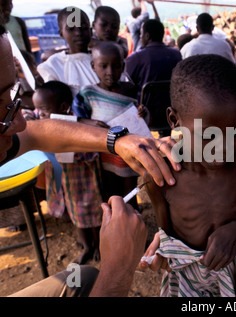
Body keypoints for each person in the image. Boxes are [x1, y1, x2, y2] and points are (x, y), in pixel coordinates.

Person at [1, 8, 180, 296]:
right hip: (80, 167)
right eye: (5, 102)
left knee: (83, 277)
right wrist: (118, 268)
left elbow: (37, 131)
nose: (22, 119)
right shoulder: (62, 70)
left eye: (13, 97)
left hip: (99, 157)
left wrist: (116, 140)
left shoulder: (119, 83)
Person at [139, 54, 236, 297]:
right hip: (187, 278)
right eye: (208, 136)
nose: (222, 149)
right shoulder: (160, 176)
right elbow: (166, 233)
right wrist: (160, 254)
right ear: (174, 119)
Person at [32, 81, 104, 265]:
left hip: (82, 181)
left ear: (63, 107)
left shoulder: (78, 128)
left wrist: (76, 151)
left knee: (91, 214)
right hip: (62, 182)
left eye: (43, 110)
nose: (39, 114)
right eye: (37, 110)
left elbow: (92, 152)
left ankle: (99, 245)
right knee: (75, 216)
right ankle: (88, 246)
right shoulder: (43, 125)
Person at [73, 41, 141, 209]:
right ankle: (116, 223)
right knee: (111, 192)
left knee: (130, 190)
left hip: (127, 152)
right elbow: (76, 120)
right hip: (102, 154)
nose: (110, 72)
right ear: (93, 66)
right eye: (103, 66)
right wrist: (90, 122)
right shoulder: (87, 93)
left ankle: (134, 220)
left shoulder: (130, 89)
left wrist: (144, 114)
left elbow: (141, 120)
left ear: (123, 65)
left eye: (116, 66)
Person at [125, 19, 181, 137]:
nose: (140, 38)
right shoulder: (176, 55)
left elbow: (126, 85)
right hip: (173, 114)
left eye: (141, 34)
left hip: (145, 116)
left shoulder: (136, 58)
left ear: (147, 36)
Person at [37, 7, 99, 96]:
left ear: (90, 31)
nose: (78, 32)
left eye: (83, 27)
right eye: (71, 29)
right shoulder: (54, 65)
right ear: (61, 34)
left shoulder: (102, 59)